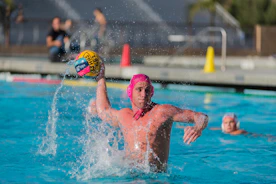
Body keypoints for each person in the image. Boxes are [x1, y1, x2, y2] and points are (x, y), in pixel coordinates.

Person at [92, 62, 209, 172]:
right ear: (130, 91)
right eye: (139, 90)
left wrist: (198, 127)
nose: (143, 94)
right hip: (129, 175)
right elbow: (103, 111)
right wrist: (101, 78)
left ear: (151, 92)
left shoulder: (161, 112)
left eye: (147, 90)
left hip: (155, 177)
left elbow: (200, 116)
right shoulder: (124, 115)